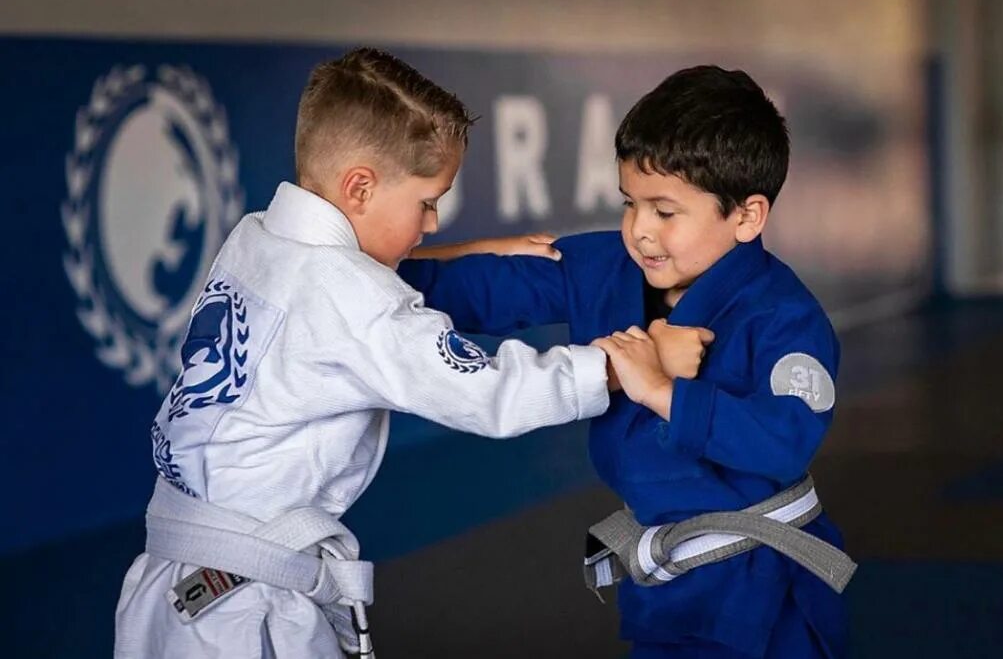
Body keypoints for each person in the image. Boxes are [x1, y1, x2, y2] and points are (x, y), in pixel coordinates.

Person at [113, 47, 611, 659]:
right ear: (360, 187)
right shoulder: (354, 300)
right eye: (428, 202)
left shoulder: (258, 236)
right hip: (245, 613)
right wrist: (613, 366)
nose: (431, 224)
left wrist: (476, 252)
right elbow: (487, 393)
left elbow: (349, 276)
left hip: (167, 590)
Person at [399, 65, 850, 658]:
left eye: (665, 212)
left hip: (766, 593)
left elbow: (783, 443)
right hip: (667, 587)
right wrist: (364, 259)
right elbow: (456, 288)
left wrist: (662, 389)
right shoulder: (603, 269)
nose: (639, 231)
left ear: (746, 216)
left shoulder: (785, 317)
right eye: (629, 204)